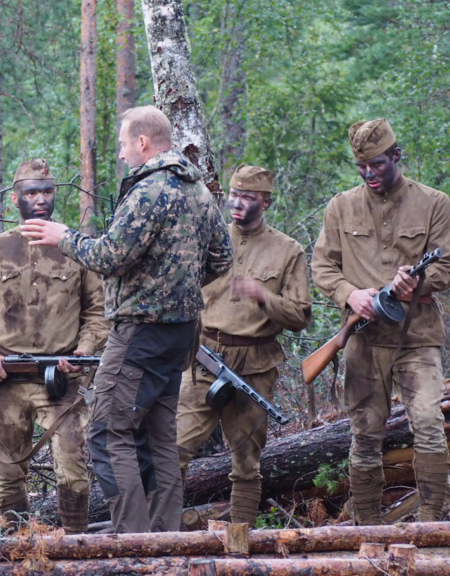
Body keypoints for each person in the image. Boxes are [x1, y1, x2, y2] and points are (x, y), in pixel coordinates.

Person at [20, 106, 232, 533]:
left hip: (140, 332)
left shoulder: (148, 191)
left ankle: (132, 538)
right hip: (180, 335)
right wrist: (178, 286)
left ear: (142, 142)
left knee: (105, 433)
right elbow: (222, 258)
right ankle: (165, 536)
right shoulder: (198, 191)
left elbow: (111, 257)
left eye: (122, 144)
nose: (120, 154)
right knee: (158, 437)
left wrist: (65, 237)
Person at [311, 119, 450, 524]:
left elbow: (447, 269)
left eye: (377, 164)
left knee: (428, 421)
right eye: (361, 167)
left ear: (396, 156)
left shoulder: (434, 203)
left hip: (417, 335)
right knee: (365, 432)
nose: (369, 174)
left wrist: (418, 282)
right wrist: (350, 294)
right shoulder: (341, 206)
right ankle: (368, 526)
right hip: (363, 338)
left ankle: (430, 519)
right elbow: (323, 267)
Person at [0, 159, 108, 532]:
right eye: (31, 192)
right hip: (2, 379)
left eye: (47, 192)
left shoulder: (78, 248)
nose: (40, 199)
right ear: (15, 198)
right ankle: (22, 549)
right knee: (8, 477)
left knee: (73, 472)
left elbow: (99, 314)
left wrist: (83, 352)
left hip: (61, 379)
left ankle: (74, 547)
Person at [175, 164, 311, 526]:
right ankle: (164, 537)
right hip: (202, 359)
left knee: (247, 463)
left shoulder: (288, 251)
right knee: (173, 451)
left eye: (248, 197)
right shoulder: (208, 237)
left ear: (265, 201)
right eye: (234, 195)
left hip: (255, 365)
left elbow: (300, 316)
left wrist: (263, 296)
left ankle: (240, 540)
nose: (237, 203)